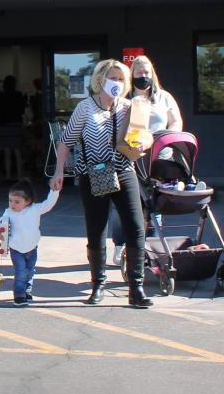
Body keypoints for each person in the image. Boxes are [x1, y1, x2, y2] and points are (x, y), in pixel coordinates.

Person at [48, 59, 153, 308]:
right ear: (100, 79)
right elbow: (66, 141)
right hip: (93, 173)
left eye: (120, 79)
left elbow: (146, 134)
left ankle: (136, 286)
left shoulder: (130, 107)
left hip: (124, 170)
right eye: (112, 78)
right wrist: (59, 171)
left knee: (136, 227)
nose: (116, 83)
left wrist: (144, 143)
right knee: (96, 230)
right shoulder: (85, 108)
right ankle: (98, 285)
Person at [112, 55, 184, 266]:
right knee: (122, 202)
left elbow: (176, 121)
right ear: (131, 74)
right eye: (138, 73)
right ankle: (120, 244)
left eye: (146, 73)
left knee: (154, 204)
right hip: (129, 156)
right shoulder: (125, 97)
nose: (143, 76)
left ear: (152, 73)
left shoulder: (164, 97)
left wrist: (166, 138)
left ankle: (152, 247)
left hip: (159, 157)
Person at [0, 178, 59, 306]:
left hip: (32, 248)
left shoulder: (35, 209)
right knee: (20, 272)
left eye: (17, 202)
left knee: (30, 270)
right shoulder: (8, 213)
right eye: (10, 201)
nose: (12, 204)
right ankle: (19, 295)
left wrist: (54, 191)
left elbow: (49, 204)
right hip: (16, 249)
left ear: (28, 201)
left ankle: (27, 291)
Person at [0, 75, 27, 179]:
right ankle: (20, 175)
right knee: (17, 151)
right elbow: (22, 110)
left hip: (4, 124)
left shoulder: (1, 95)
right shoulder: (19, 95)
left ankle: (8, 175)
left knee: (7, 152)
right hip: (16, 123)